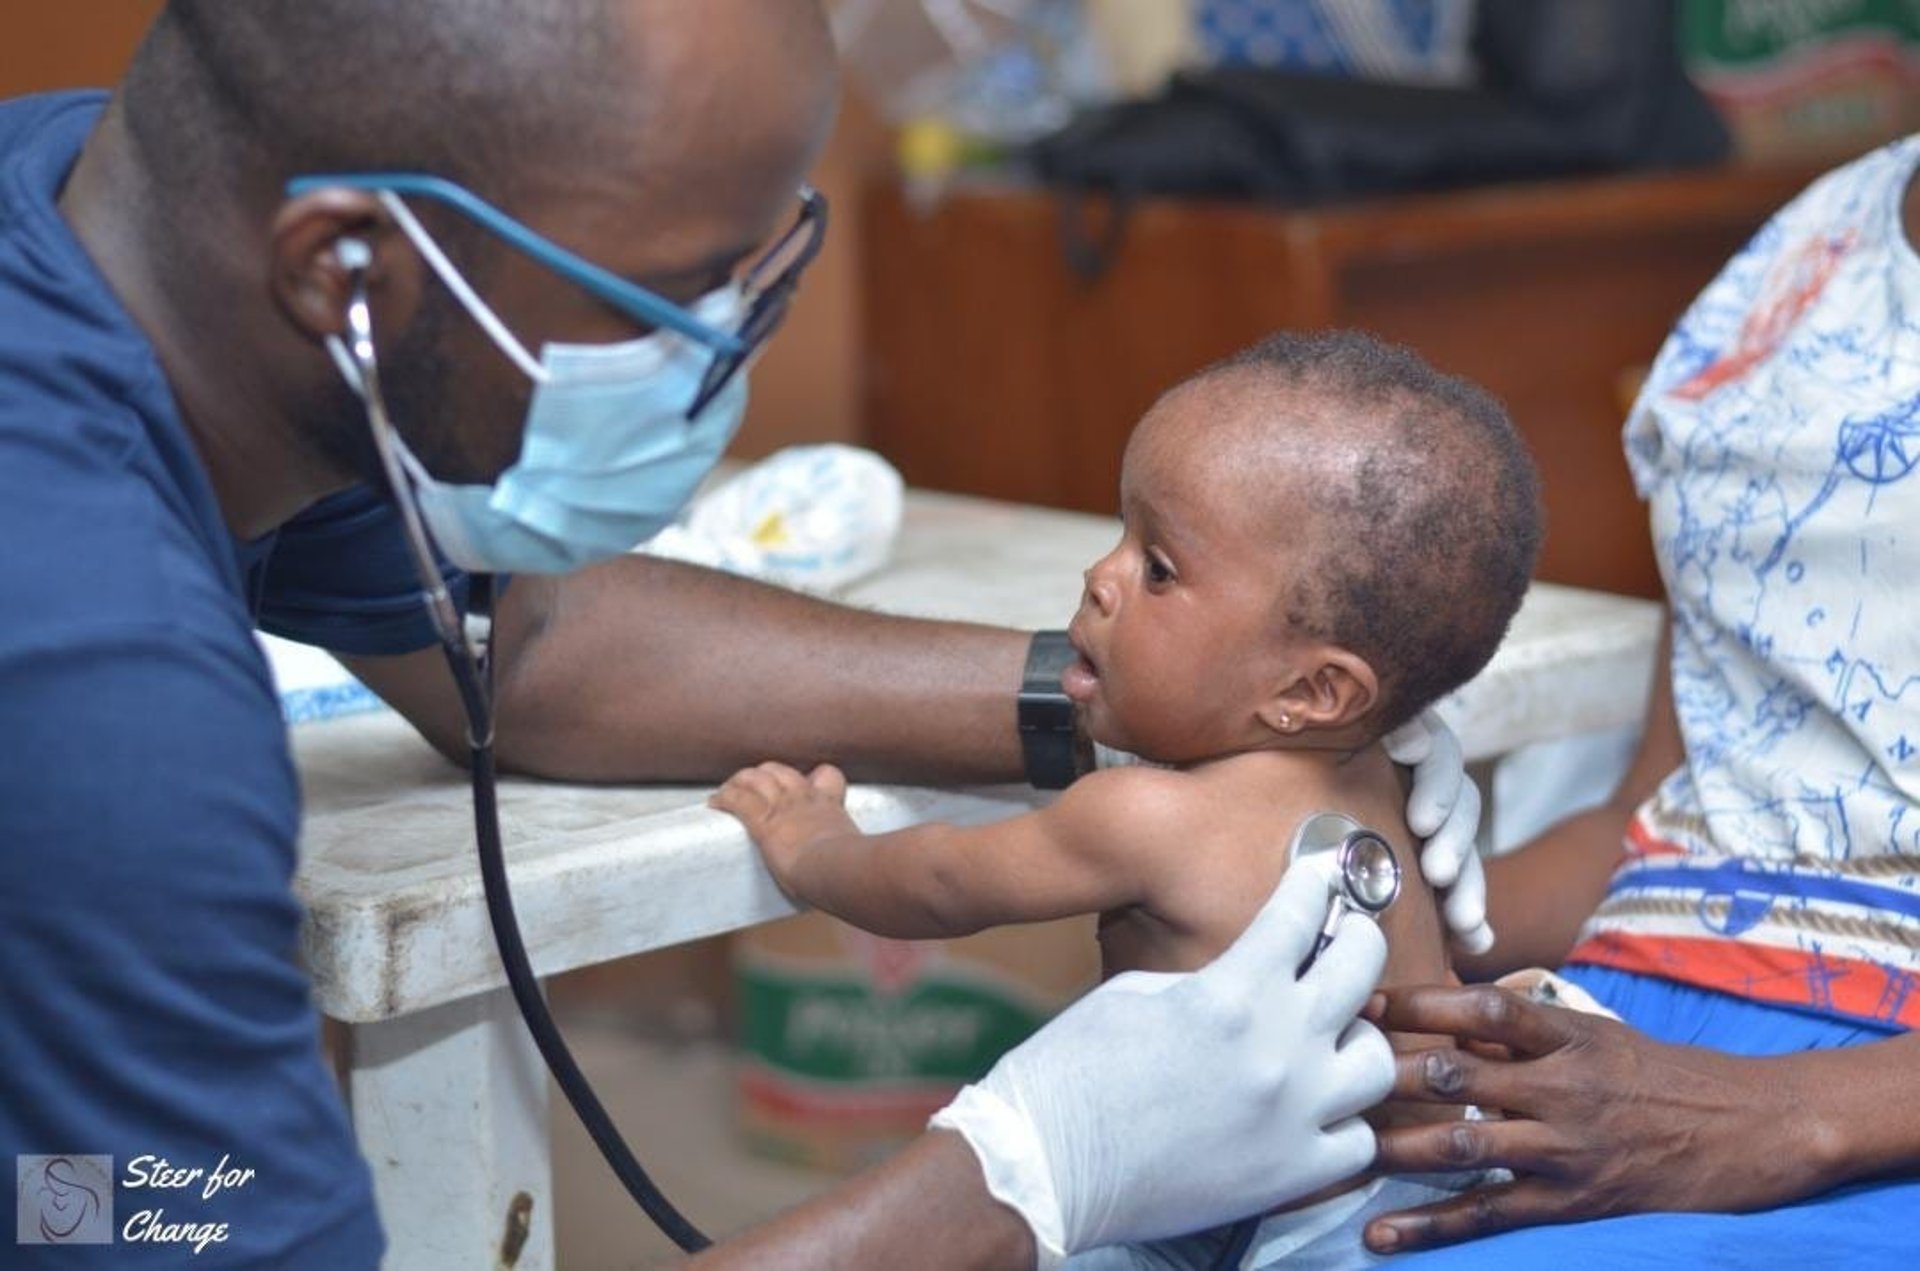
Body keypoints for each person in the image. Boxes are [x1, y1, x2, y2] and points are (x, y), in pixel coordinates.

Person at [0, 3, 1487, 1266]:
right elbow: (126, 1215)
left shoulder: (109, 224)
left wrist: (1177, 716)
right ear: (349, 275)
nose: (718, 345)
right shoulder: (107, 701)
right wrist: (1020, 1170)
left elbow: (534, 650)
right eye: (666, 291)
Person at [713, 330, 1543, 1268]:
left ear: (1313, 693)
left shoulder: (1148, 818)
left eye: (1159, 568)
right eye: (1123, 534)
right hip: (1411, 1186)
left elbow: (940, 881)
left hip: (1260, 1230)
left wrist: (814, 844)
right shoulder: (1388, 768)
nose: (1099, 578)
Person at [1356, 133, 1920, 1265]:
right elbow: (1658, 820)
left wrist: (1781, 1117)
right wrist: (1354, 930)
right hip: (1627, 1017)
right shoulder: (1805, 261)